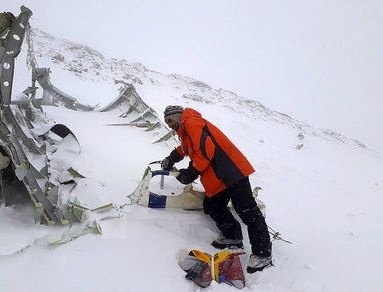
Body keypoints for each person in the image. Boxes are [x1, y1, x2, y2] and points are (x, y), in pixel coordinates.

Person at [161, 105, 272, 273]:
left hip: (232, 171)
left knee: (248, 211)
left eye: (170, 120)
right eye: (167, 122)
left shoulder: (192, 123)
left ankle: (263, 254)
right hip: (219, 177)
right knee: (213, 205)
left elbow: (205, 151)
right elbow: (185, 148)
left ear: (178, 116)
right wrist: (171, 158)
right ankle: (233, 237)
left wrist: (191, 173)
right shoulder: (187, 132)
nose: (169, 125)